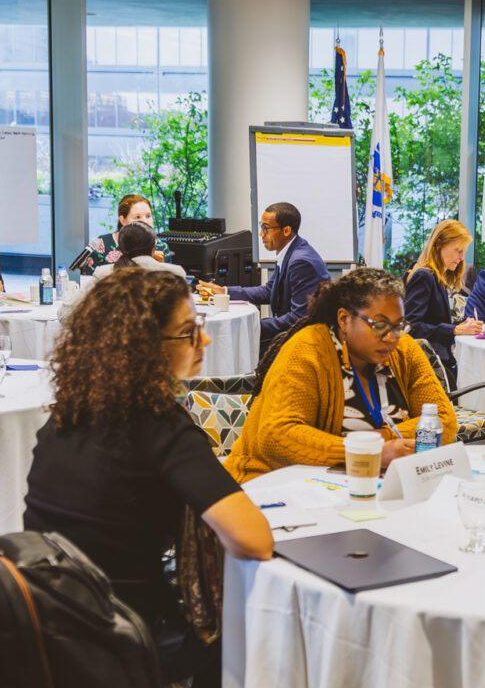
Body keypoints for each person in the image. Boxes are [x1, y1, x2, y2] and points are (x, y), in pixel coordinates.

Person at [23, 267, 274, 688]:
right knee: (259, 630)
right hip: (129, 644)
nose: (205, 340)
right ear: (145, 348)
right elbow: (255, 540)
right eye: (189, 332)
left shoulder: (67, 413)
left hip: (53, 630)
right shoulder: (160, 426)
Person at [223, 268, 458, 483]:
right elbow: (276, 437)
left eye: (399, 326)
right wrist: (370, 451)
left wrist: (382, 437)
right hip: (275, 483)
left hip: (365, 484)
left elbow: (444, 422)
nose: (391, 337)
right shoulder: (308, 351)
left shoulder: (404, 350)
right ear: (344, 319)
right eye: (379, 325)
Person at [196, 202, 330, 348]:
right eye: (261, 227)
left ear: (286, 231)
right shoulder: (290, 251)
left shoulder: (301, 262)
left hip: (302, 341)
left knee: (231, 342)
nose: (261, 233)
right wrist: (224, 291)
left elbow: (299, 319)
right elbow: (269, 291)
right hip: (292, 334)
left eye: (266, 228)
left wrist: (252, 326)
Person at [405, 219, 482, 382]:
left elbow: (433, 321)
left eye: (464, 252)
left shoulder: (437, 278)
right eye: (458, 250)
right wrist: (455, 330)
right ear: (439, 243)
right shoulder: (424, 276)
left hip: (440, 361)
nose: (462, 258)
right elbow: (411, 327)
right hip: (430, 367)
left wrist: (461, 325)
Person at [78, 194, 170, 273]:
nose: (145, 221)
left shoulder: (161, 247)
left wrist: (159, 265)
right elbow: (89, 280)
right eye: (137, 217)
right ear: (123, 220)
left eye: (148, 216)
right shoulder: (101, 245)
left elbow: (168, 283)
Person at [92, 221, 187, 279]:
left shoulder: (102, 273)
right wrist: (159, 265)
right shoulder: (176, 273)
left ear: (120, 249)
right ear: (153, 250)